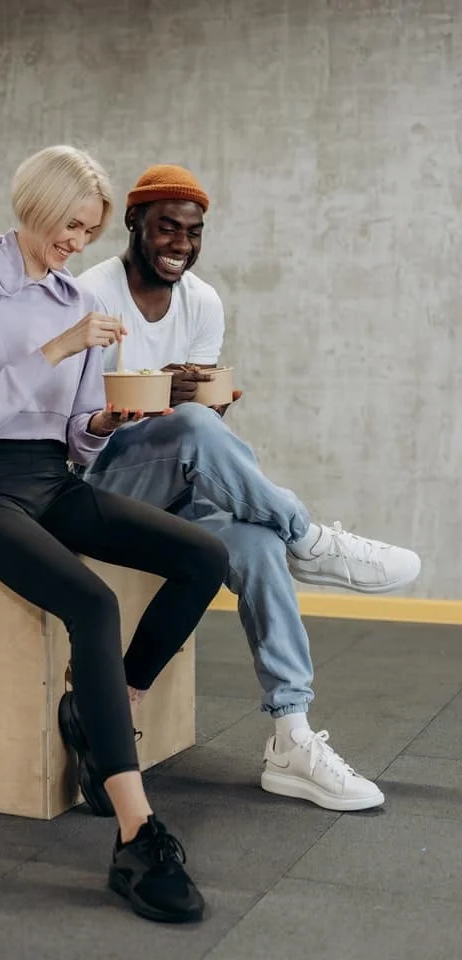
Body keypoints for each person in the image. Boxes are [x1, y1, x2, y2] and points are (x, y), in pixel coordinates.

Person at [0, 146, 230, 924]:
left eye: (90, 230)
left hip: (50, 478)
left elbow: (75, 434)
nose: (77, 241)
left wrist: (105, 419)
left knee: (204, 557)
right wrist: (60, 348)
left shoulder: (69, 293)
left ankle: (108, 706)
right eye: (71, 223)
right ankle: (137, 835)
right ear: (35, 203)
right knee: (92, 606)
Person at [77, 164, 422, 813]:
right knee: (194, 425)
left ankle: (291, 737)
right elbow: (75, 422)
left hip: (175, 487)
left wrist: (207, 401)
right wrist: (169, 402)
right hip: (100, 482)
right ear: (134, 224)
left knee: (258, 546)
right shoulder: (89, 293)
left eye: (193, 230)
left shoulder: (203, 301)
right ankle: (312, 538)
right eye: (166, 227)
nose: (181, 241)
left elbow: (200, 425)